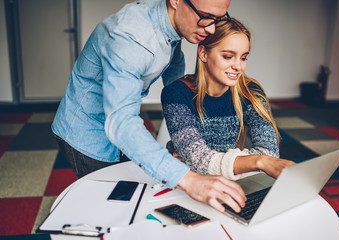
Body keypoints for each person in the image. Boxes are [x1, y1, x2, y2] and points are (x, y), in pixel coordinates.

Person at [52, 0, 246, 213]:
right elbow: (122, 125)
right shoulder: (131, 39)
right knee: (112, 208)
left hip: (120, 122)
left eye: (218, 19)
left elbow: (174, 60)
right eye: (206, 16)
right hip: (88, 133)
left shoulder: (175, 20)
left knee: (137, 194)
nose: (210, 29)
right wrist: (190, 181)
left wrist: (181, 113)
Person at [161, 18, 295, 181]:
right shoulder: (175, 94)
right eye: (228, 56)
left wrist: (200, 162)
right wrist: (257, 161)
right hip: (184, 180)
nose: (238, 66)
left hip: (226, 181)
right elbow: (200, 160)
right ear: (203, 54)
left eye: (243, 57)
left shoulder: (250, 91)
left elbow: (269, 154)